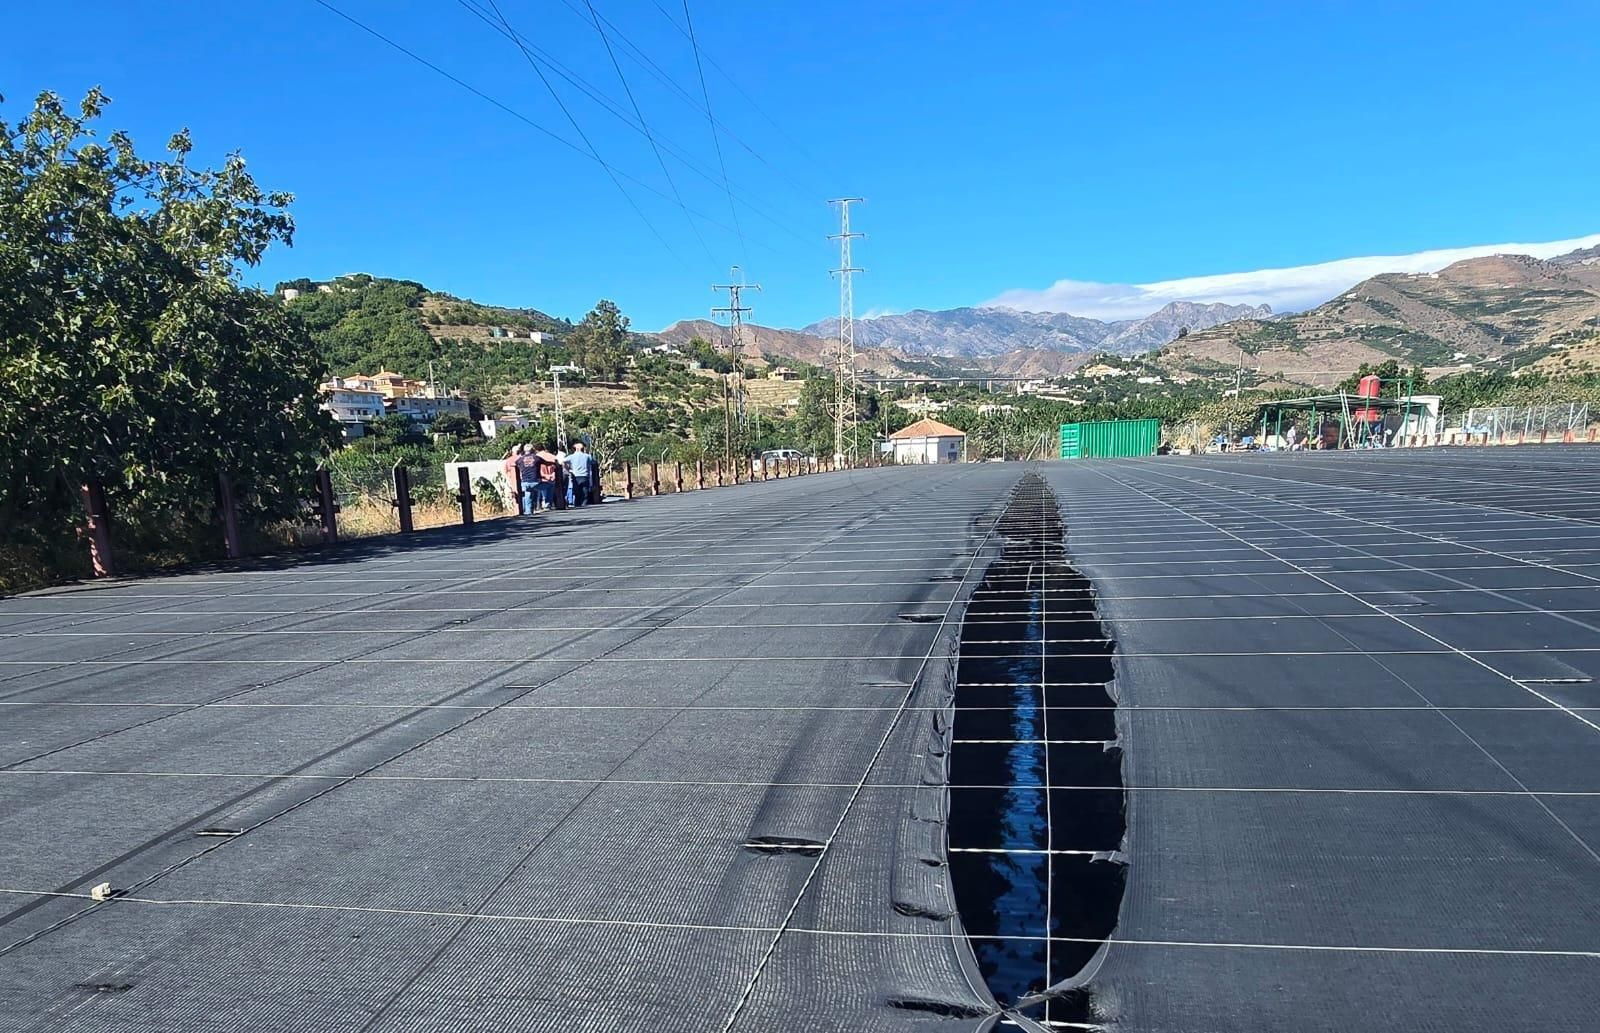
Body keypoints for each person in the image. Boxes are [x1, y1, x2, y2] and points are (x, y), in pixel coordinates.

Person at [514, 444, 541, 515]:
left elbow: (515, 463)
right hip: (535, 481)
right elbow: (545, 462)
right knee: (547, 486)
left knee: (527, 493)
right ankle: (536, 507)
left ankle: (528, 511)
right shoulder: (537, 458)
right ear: (532, 450)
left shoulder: (520, 459)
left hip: (524, 481)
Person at [565, 441, 593, 507]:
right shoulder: (587, 456)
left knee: (577, 492)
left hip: (575, 476)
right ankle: (584, 504)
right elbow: (593, 462)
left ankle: (577, 504)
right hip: (584, 476)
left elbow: (563, 461)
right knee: (585, 492)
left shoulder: (571, 456)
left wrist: (568, 469)